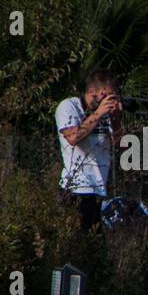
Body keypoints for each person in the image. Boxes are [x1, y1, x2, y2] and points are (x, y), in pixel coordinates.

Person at [56, 70, 122, 230]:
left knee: (95, 246)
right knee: (77, 241)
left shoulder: (106, 113)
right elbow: (73, 137)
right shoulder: (69, 106)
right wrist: (98, 114)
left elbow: (119, 145)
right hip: (76, 188)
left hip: (99, 188)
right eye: (107, 95)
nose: (110, 100)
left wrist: (116, 118)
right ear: (92, 92)